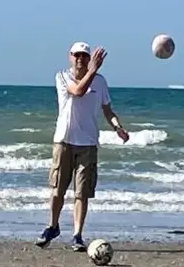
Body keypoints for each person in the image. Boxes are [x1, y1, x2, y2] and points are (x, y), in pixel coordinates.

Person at [36, 42, 129, 250]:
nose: (81, 59)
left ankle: (77, 235)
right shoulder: (62, 76)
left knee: (82, 193)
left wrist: (118, 128)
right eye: (77, 55)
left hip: (87, 144)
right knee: (58, 190)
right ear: (70, 57)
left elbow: (107, 110)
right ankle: (52, 226)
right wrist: (93, 70)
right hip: (64, 141)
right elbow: (77, 91)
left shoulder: (100, 82)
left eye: (85, 56)